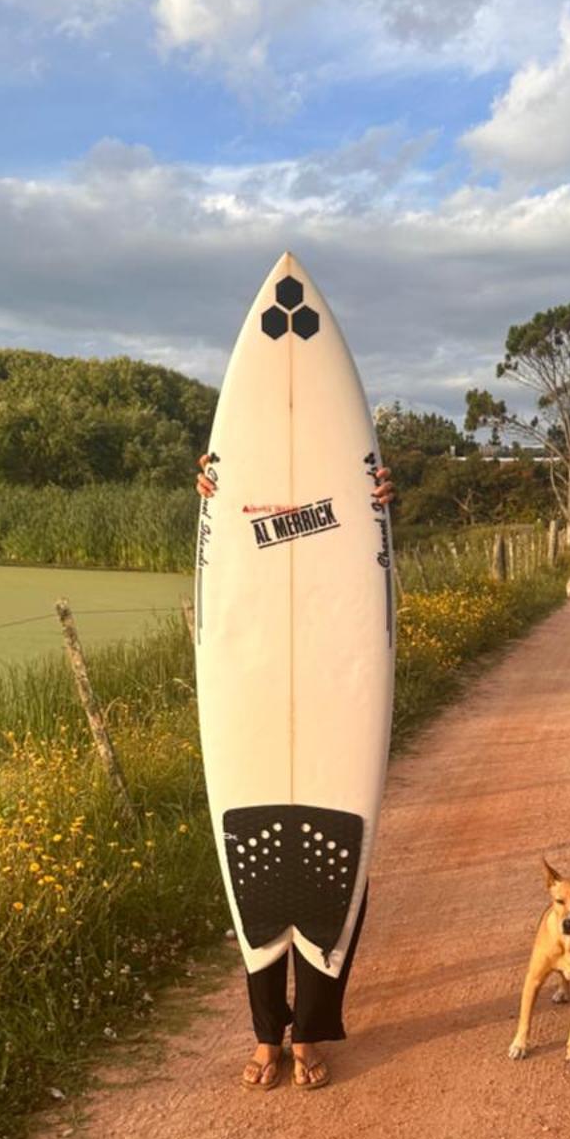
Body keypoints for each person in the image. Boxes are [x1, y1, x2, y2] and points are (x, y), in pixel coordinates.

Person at [196, 453, 395, 1090]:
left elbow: (371, 580)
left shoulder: (352, 466)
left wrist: (382, 518)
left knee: (331, 875)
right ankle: (265, 1034)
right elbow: (230, 576)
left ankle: (307, 1030)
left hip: (336, 681)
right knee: (254, 878)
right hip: (256, 682)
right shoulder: (245, 454)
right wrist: (216, 508)